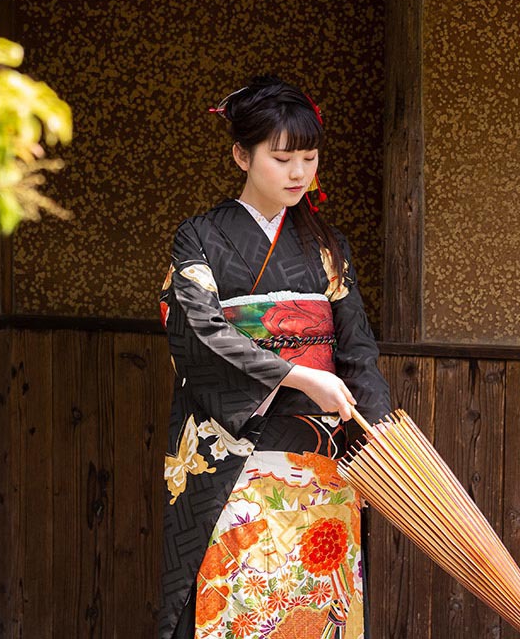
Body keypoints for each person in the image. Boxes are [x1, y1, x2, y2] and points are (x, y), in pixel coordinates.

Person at [158, 75, 392, 639]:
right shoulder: (199, 238)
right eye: (282, 157)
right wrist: (298, 376)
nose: (298, 174)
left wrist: (378, 428)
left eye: (309, 158)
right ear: (241, 154)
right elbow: (198, 332)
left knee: (316, 601)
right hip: (232, 450)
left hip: (321, 455)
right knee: (235, 603)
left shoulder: (326, 245)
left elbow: (356, 345)